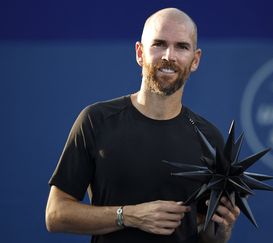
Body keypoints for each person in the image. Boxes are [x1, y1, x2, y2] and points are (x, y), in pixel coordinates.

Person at [45, 7, 240, 243]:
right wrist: (129, 216)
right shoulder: (96, 120)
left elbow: (205, 234)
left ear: (195, 59)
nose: (169, 55)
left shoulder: (210, 139)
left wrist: (221, 232)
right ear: (140, 53)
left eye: (181, 46)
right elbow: (56, 214)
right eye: (159, 44)